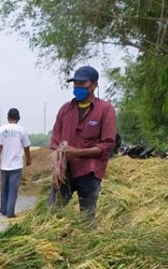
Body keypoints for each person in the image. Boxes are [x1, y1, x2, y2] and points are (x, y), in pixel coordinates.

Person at [48, 65, 117, 220]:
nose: (78, 87)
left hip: (89, 172)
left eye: (82, 83)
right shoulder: (65, 110)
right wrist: (56, 170)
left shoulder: (105, 110)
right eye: (75, 84)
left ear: (94, 85)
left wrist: (78, 152)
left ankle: (84, 241)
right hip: (64, 172)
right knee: (49, 214)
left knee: (87, 219)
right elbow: (55, 141)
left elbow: (107, 145)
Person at [0, 108, 31, 218]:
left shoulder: (2, 129)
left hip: (4, 165)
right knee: (13, 189)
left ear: (8, 118)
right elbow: (26, 146)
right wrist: (28, 159)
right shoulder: (22, 130)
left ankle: (3, 208)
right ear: (18, 118)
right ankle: (10, 212)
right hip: (16, 165)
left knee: (4, 188)